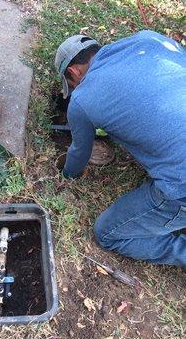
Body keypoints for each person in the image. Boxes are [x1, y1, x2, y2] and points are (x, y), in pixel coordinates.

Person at [55, 30, 186, 266]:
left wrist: (66, 175)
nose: (74, 90)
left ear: (74, 71)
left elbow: (79, 154)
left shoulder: (82, 100)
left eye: (71, 84)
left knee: (107, 233)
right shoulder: (147, 39)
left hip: (182, 185)